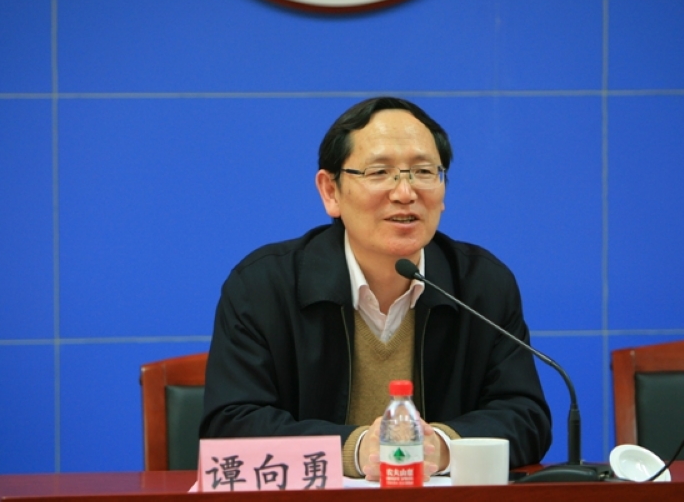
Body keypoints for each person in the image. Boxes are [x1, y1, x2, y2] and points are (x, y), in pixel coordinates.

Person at [199, 97, 552, 480]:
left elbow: (526, 416)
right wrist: (353, 449)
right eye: (380, 172)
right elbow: (230, 425)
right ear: (331, 192)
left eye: (423, 172)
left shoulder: (481, 284)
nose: (405, 193)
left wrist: (441, 446)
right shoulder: (264, 286)